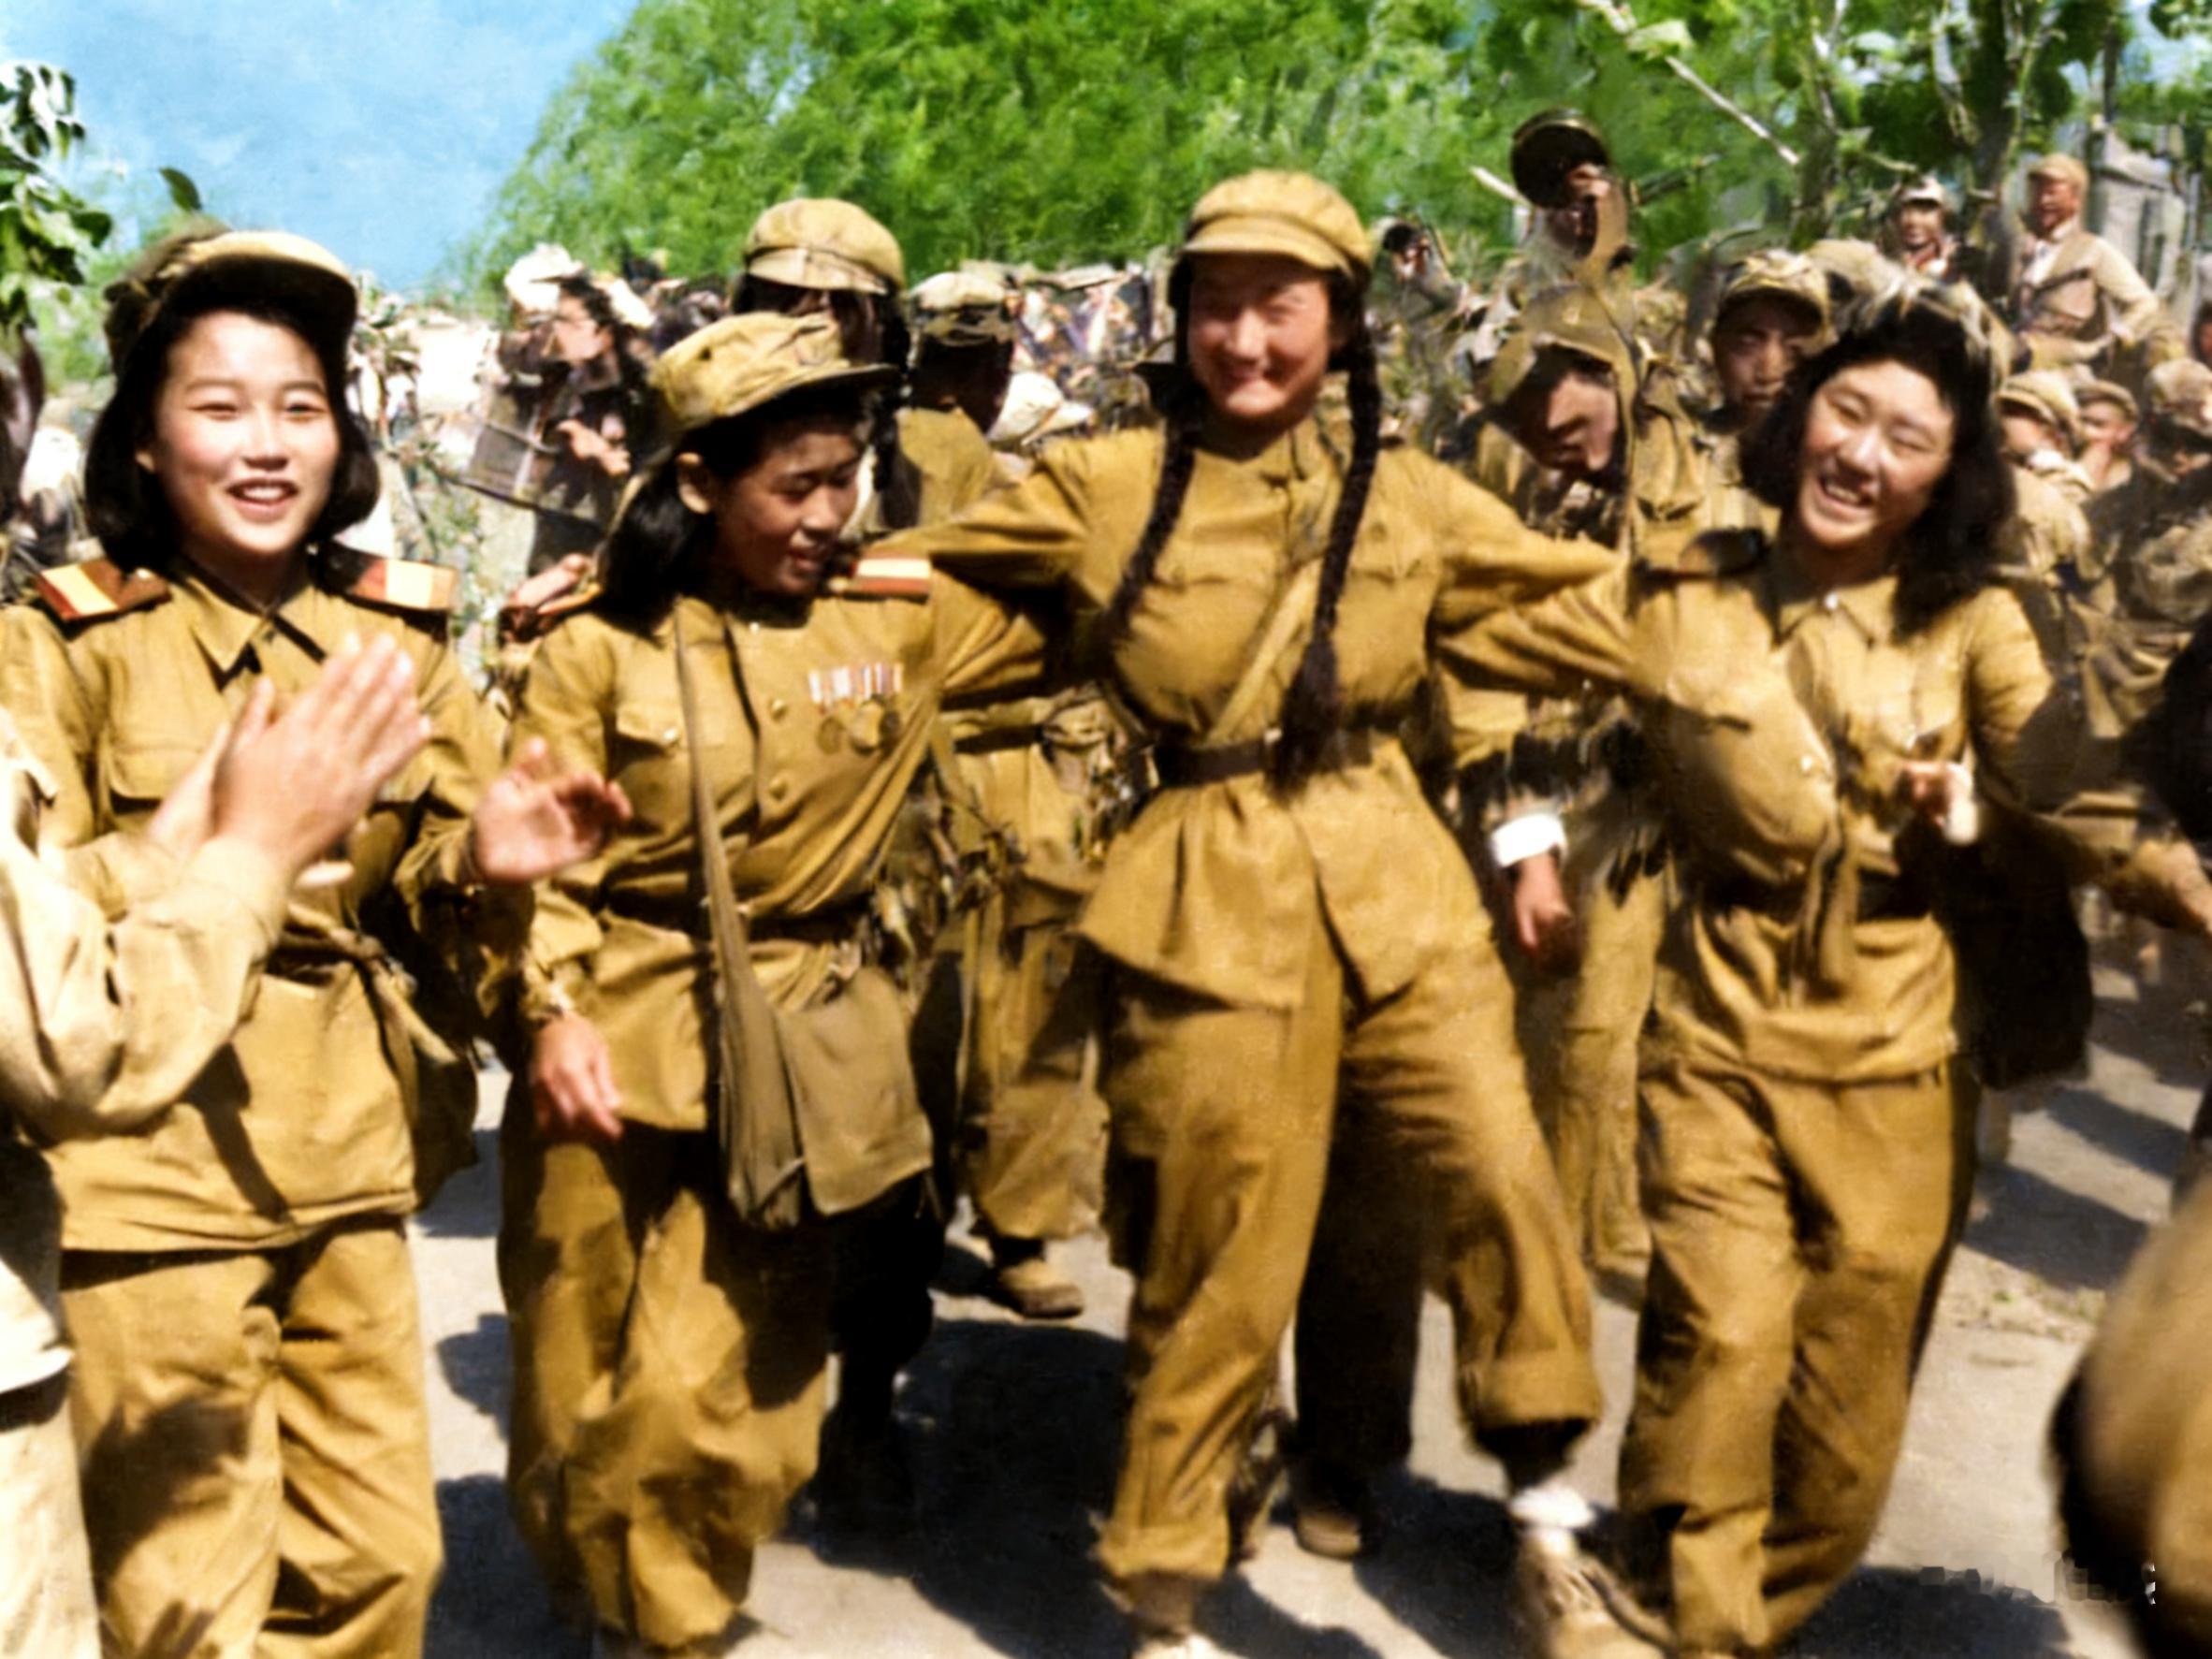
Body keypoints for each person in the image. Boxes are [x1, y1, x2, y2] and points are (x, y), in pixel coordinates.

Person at [880, 170, 1640, 1659]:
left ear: (1341, 323)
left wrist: (1812, 584)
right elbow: (913, 582)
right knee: (1211, 1265)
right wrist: (674, 574)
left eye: (1277, 307)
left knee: (1506, 1184)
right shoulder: (1106, 487)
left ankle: (1550, 1534)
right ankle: (1165, 1598)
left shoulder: (1413, 497)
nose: (1242, 340)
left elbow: (1595, 602)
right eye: (1215, 306)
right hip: (1205, 898)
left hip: (1398, 888)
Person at [1444, 273, 2212, 1659]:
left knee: (1844, 1451)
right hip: (1720, 1036)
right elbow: (1488, 642)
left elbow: (2072, 791)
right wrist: (1527, 836)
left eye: (1905, 440)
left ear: (1946, 479)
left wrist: (2182, 886)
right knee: (1719, 1346)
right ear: (1798, 417)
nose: (1860, 455)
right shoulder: (1686, 588)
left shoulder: (1976, 623)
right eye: (1844, 414)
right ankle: (1680, 1616)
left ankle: (1700, 1608)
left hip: (1901, 1067)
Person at [0, 226, 629, 1659]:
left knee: (381, 1571)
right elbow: (33, 926)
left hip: (344, 1160)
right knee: (186, 1603)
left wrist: (487, 868)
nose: (268, 445)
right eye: (219, 408)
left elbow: (440, 904)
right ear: (144, 439)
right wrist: (213, 848)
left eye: (301, 405)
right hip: (147, 1187)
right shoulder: (66, 646)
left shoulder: (392, 641)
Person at [498, 310, 1048, 1655]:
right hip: (612, 1041)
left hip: (798, 1047)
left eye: (844, 479)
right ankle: (601, 1593)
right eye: (793, 487)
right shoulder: (597, 643)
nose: (826, 515)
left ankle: (673, 1619)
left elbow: (1095, 604)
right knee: (572, 1375)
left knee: (721, 1381)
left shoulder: (897, 616)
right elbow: (539, 860)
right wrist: (551, 1012)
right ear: (699, 482)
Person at [911, 267, 1117, 1319]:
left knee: (1029, 1001)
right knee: (929, 1004)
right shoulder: (894, 461)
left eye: (989, 360)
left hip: (1018, 755)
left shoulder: (1022, 478)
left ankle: (1015, 1227)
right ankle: (926, 1221)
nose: (985, 380)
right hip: (923, 756)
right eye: (974, 360)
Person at [730, 197, 996, 532]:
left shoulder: (947, 452)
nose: (816, 325)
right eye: (786, 298)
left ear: (884, 327)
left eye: (844, 304)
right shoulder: (705, 439)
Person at [2002, 153, 2183, 376]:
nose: (2043, 201)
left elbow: (2144, 302)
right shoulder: (2023, 249)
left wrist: (2111, 340)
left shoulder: (2094, 251)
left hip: (2068, 373)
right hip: (2016, 362)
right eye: (2037, 192)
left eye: (2052, 193)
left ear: (2075, 199)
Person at [1881, 175, 1966, 282]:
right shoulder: (1881, 258)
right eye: (1907, 211)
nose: (1913, 221)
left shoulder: (1957, 264)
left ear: (1943, 217)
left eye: (1924, 212)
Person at [2079, 379, 2142, 493]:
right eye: (2082, 422)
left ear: (2125, 431)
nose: (2087, 432)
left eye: (2098, 425)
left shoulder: (2138, 478)